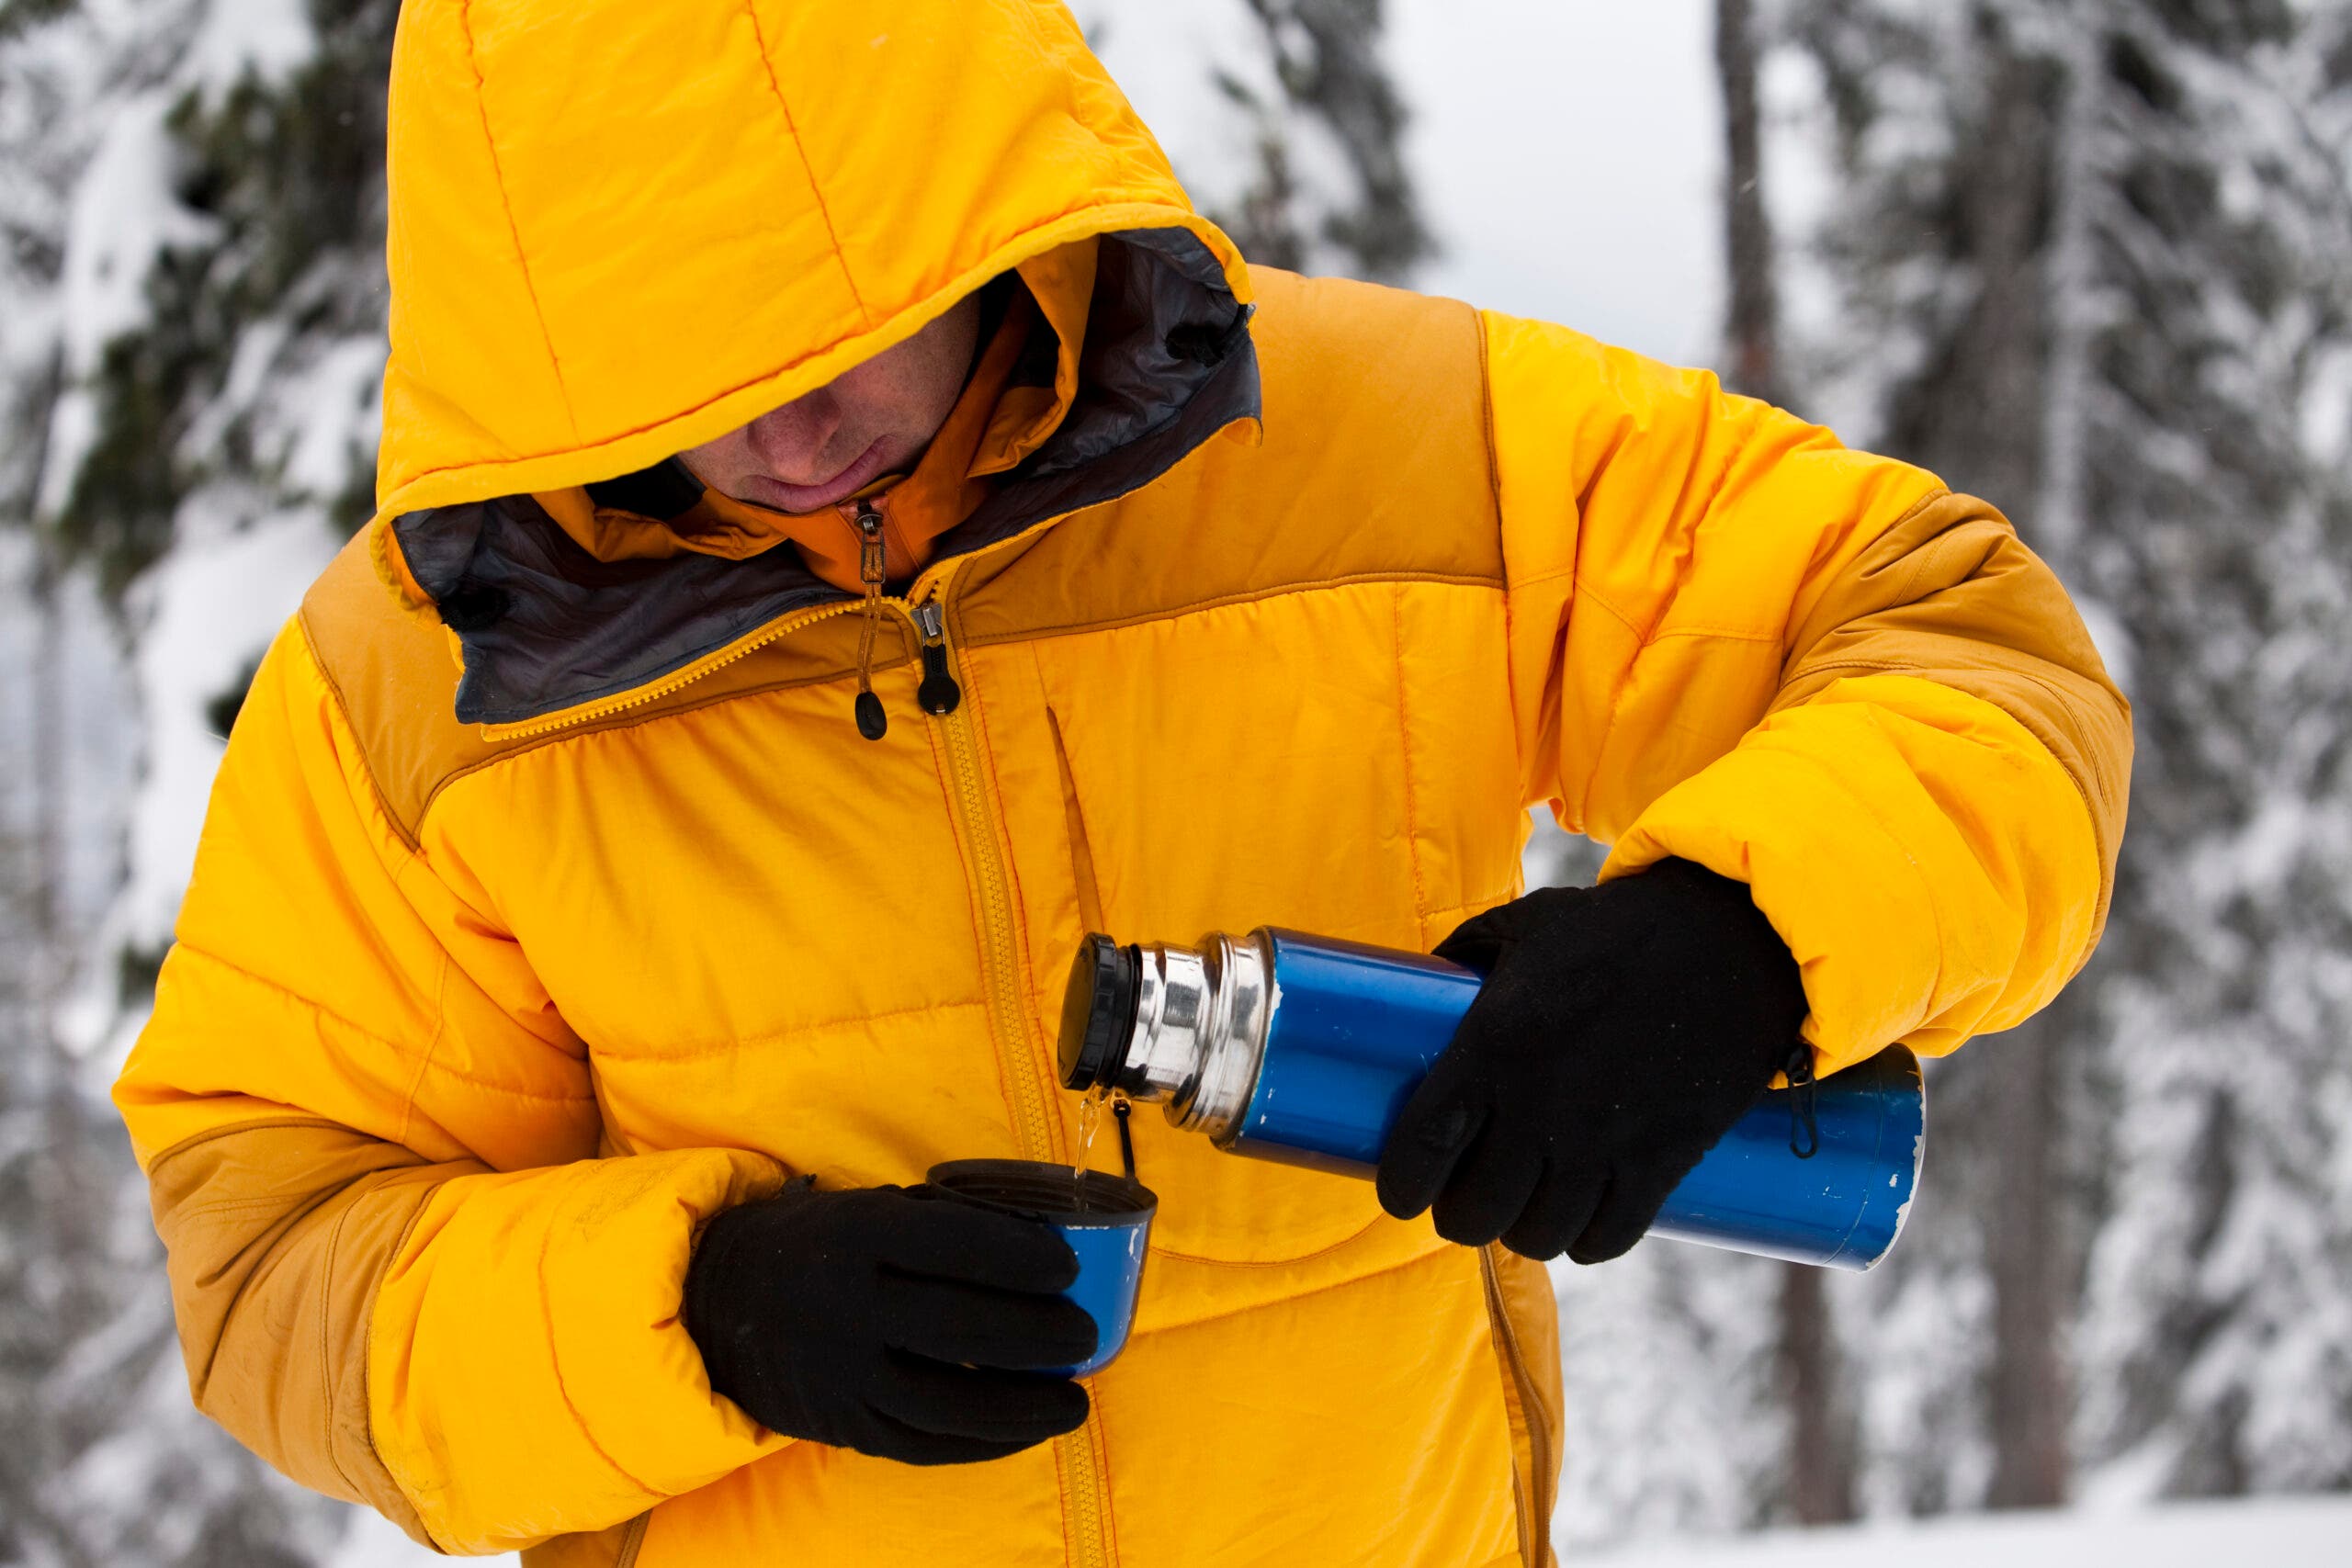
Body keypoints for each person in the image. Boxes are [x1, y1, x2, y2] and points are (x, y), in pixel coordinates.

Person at [111, 3, 2131, 1565]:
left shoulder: (1399, 458)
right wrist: (696, 1310)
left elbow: (1968, 648)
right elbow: (276, 1254)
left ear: (978, 199)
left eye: (838, 330)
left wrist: (1731, 938)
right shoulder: (429, 683)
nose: (788, 434)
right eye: (675, 384)